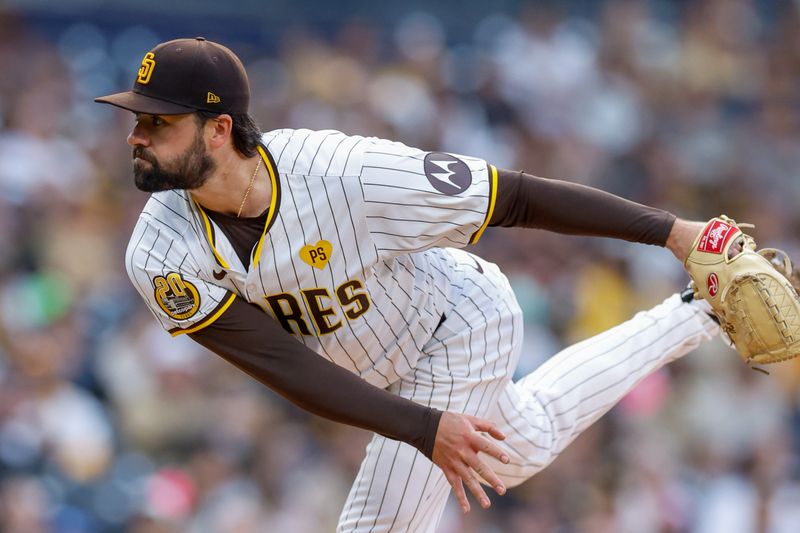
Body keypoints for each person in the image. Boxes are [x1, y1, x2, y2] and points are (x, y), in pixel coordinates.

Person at [95, 37, 720, 532]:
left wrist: (674, 233)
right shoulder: (158, 251)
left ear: (219, 129)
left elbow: (515, 197)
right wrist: (422, 425)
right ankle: (697, 314)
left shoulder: (341, 172)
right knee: (521, 443)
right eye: (138, 120)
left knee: (378, 525)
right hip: (378, 370)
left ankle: (695, 294)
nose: (136, 137)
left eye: (157, 123)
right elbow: (282, 364)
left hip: (457, 323)